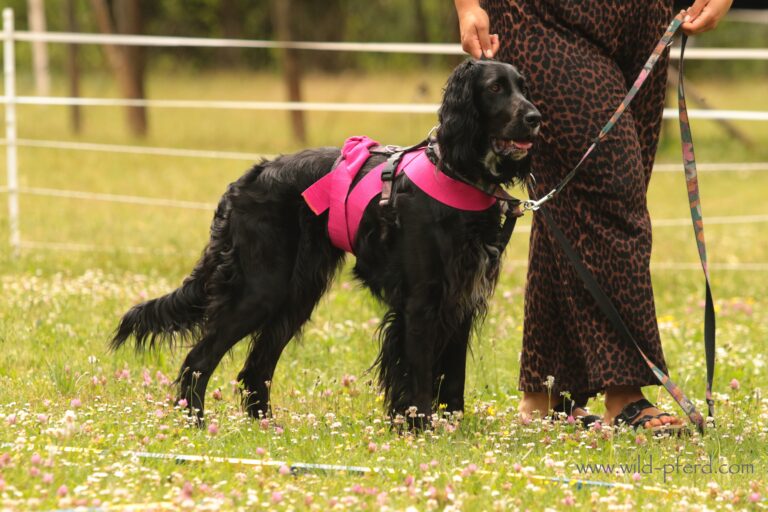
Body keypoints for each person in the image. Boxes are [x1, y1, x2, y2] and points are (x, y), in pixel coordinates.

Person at [453, 0, 732, 430]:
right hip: (543, 18)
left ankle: (547, 393)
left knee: (577, 201)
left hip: (646, 17)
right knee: (609, 190)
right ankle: (625, 393)